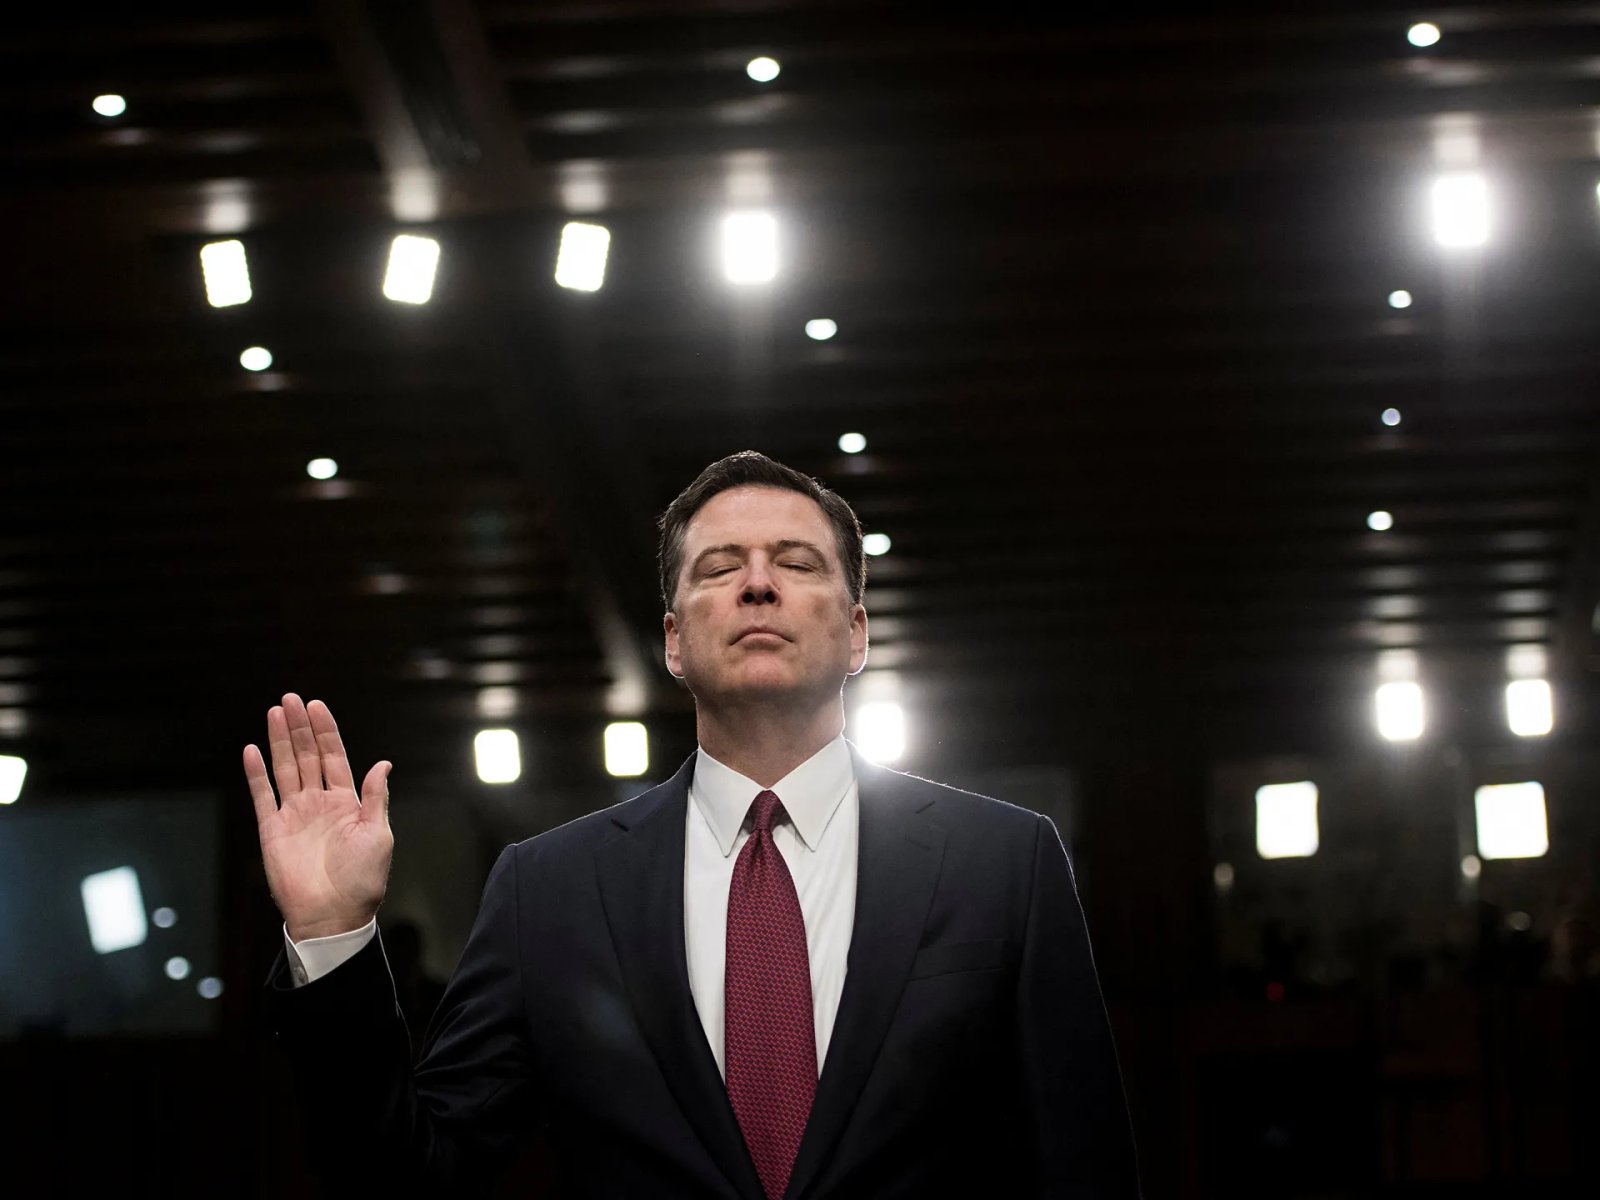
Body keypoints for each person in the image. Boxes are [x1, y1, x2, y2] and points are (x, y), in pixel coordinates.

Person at [247, 451, 1141, 1198]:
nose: (757, 584)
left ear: (858, 633)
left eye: (797, 563)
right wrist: (332, 937)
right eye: (719, 567)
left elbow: (1086, 1168)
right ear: (674, 642)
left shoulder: (1004, 862)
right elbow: (409, 1179)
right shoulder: (549, 890)